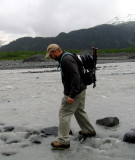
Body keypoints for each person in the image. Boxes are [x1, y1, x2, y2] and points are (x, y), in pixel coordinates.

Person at [45, 44, 96, 149]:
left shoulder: (66, 60)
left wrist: (71, 96)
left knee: (64, 114)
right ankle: (88, 131)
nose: (50, 57)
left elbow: (75, 77)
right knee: (79, 110)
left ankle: (63, 141)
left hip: (74, 91)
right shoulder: (67, 55)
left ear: (55, 52)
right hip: (81, 88)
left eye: (50, 55)